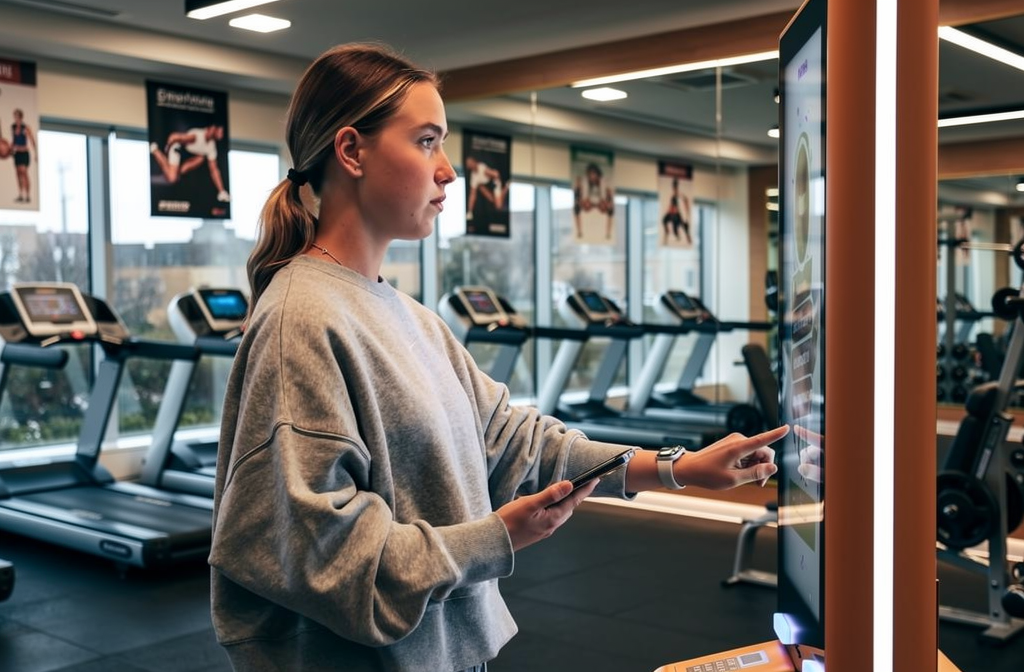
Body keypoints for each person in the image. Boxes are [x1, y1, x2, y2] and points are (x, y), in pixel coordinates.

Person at [209, 42, 788, 672]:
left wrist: (681, 468)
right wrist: (498, 536)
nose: (449, 170)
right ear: (351, 151)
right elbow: (322, 555)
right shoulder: (304, 321)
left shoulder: (408, 316)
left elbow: (520, 442)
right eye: (427, 141)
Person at [149, 124, 230, 202]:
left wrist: (221, 191)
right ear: (213, 128)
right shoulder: (197, 136)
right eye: (221, 131)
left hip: (187, 157)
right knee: (172, 178)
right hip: (177, 148)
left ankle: (178, 172)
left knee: (201, 158)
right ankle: (155, 150)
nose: (222, 134)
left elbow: (214, 169)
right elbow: (174, 137)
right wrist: (167, 149)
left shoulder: (211, 147)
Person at [573, 162, 614, 240]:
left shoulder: (603, 182)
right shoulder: (584, 182)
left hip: (601, 200)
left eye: (593, 174)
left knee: (611, 209)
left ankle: (608, 233)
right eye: (589, 175)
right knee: (576, 207)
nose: (591, 177)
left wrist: (608, 203)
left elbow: (609, 195)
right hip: (587, 199)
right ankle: (579, 231)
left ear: (597, 174)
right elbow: (579, 194)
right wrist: (580, 199)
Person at [464, 155, 508, 221]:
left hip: (495, 181)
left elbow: (496, 174)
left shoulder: (482, 167)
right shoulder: (473, 177)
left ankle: (506, 187)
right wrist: (470, 211)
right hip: (487, 186)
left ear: (474, 161)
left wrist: (491, 175)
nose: (470, 165)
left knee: (498, 206)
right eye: (469, 164)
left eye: (471, 163)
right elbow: (472, 195)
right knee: (481, 188)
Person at [10, 109, 36, 203]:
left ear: (20, 117)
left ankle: (28, 195)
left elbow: (32, 140)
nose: (15, 118)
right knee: (18, 174)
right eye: (14, 116)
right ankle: (21, 194)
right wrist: (9, 148)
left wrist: (36, 153)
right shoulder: (13, 127)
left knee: (24, 172)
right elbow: (13, 140)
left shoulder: (25, 128)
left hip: (24, 152)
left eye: (17, 116)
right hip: (17, 153)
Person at [661, 177, 692, 245]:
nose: (674, 189)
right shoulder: (673, 195)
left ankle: (687, 237)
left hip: (677, 215)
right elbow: (671, 206)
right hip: (672, 213)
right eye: (674, 187)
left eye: (675, 187)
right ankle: (668, 232)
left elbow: (685, 201)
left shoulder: (679, 195)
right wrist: (669, 211)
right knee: (664, 220)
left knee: (683, 226)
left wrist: (686, 215)